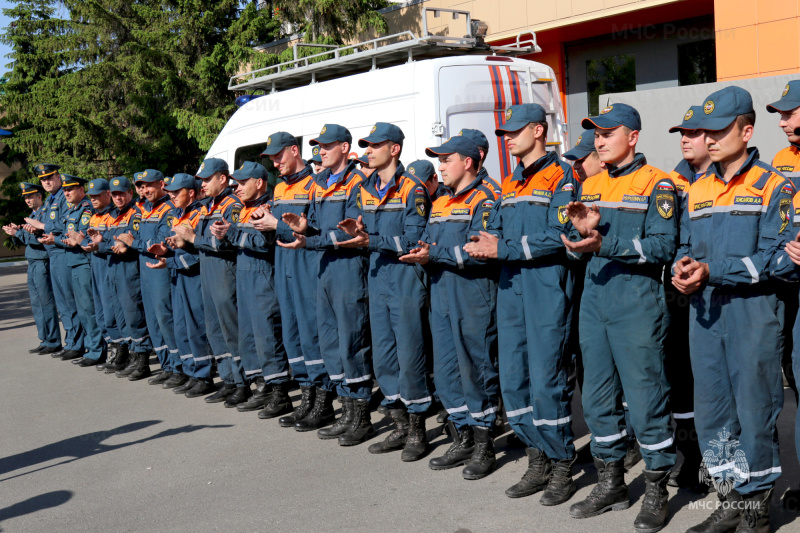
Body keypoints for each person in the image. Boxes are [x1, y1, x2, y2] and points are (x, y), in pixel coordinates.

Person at [676, 86, 792, 533]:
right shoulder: (698, 187)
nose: (709, 138)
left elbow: (779, 258)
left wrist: (713, 270)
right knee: (712, 411)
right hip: (705, 314)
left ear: (746, 130)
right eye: (706, 130)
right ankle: (730, 495)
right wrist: (681, 268)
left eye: (721, 129)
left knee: (754, 409)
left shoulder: (772, 185)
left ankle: (756, 505)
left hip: (753, 314)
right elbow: (685, 245)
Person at [562, 103, 677, 533]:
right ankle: (611, 483)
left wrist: (603, 244)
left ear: (633, 136)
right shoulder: (589, 184)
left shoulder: (657, 183)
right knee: (595, 399)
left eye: (609, 132)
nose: (599, 139)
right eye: (595, 132)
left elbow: (663, 247)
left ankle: (656, 488)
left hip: (636, 304)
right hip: (594, 301)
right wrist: (578, 236)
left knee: (646, 400)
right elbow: (581, 238)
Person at [464, 104, 580, 504]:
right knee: (513, 382)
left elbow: (562, 235)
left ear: (538, 130)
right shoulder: (511, 182)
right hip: (511, 289)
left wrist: (504, 248)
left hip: (546, 290)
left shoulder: (564, 176)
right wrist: (481, 243)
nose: (507, 138)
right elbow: (492, 229)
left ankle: (562, 461)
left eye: (515, 131)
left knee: (547, 382)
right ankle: (537, 457)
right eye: (504, 133)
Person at [402, 135, 500, 480]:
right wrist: (421, 252)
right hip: (441, 293)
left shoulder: (486, 198)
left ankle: (484, 442)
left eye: (446, 160)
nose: (440, 166)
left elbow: (479, 252)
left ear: (469, 162)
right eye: (439, 161)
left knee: (476, 370)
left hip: (472, 295)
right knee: (445, 372)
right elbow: (429, 240)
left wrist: (435, 255)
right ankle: (462, 435)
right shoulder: (441, 200)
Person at [337, 122, 433, 462]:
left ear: (394, 149)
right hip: (377, 279)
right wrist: (354, 229)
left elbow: (413, 239)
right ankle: (399, 424)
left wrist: (371, 240)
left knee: (410, 356)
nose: (368, 151)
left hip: (405, 279)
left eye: (375, 145)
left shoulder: (413, 189)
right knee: (385, 357)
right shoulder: (364, 188)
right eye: (366, 146)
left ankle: (418, 431)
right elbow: (358, 226)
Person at [281, 124, 375, 444]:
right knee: (331, 344)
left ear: (345, 148)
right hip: (325, 270)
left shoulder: (358, 180)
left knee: (353, 343)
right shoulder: (320, 182)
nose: (321, 150)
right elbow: (320, 227)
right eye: (319, 146)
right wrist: (306, 227)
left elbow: (354, 232)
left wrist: (313, 238)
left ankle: (361, 417)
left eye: (328, 145)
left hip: (349, 271)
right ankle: (346, 411)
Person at [250, 132, 331, 428]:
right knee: (293, 335)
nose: (275, 162)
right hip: (284, 267)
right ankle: (306, 399)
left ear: (295, 151)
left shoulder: (316, 184)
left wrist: (276, 226)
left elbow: (314, 232)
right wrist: (265, 220)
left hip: (307, 269)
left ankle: (323, 403)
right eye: (271, 158)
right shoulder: (281, 187)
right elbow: (278, 227)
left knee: (312, 335)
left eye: (279, 155)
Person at [173, 158, 248, 407]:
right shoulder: (207, 206)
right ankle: (228, 379)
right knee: (215, 330)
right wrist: (185, 242)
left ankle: (243, 382)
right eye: (201, 179)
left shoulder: (231, 205)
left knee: (231, 330)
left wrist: (193, 238)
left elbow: (228, 243)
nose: (202, 183)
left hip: (225, 274)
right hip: (208, 272)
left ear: (222, 178)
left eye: (207, 179)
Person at [664, 106, 711, 492]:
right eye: (683, 132)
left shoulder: (726, 180)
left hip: (715, 292)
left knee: (714, 381)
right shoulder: (672, 180)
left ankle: (718, 461)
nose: (685, 138)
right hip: (678, 294)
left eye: (693, 133)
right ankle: (692, 456)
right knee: (681, 376)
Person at [222, 162, 292, 416]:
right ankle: (261, 385)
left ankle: (280, 393)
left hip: (263, 278)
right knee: (249, 335)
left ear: (259, 183)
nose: (237, 188)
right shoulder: (241, 210)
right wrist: (226, 233)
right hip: (244, 276)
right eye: (236, 184)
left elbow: (264, 244)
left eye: (242, 183)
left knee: (267, 335)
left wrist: (232, 235)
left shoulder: (268, 208)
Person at [146, 173, 215, 398]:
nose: (172, 195)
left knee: (195, 326)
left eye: (177, 192)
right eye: (171, 192)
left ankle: (204, 375)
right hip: (178, 273)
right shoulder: (178, 214)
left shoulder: (200, 214)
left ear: (191, 193)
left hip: (193, 274)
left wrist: (173, 258)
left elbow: (200, 250)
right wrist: (165, 249)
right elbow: (178, 243)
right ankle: (190, 371)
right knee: (181, 325)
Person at [767, 79, 800, 511]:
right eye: (780, 112)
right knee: (794, 385)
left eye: (791, 111)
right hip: (786, 285)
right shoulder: (780, 160)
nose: (783, 120)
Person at [24, 164, 84, 359]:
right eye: (43, 179)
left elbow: (64, 224)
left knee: (69, 301)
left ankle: (77, 343)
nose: (46, 182)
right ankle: (72, 342)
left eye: (50, 177)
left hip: (62, 252)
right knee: (63, 303)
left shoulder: (63, 198)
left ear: (59, 177)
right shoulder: (52, 199)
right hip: (54, 253)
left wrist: (42, 226)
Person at [102, 177, 153, 378]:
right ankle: (132, 356)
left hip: (129, 269)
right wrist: (107, 244)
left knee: (134, 315)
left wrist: (124, 245)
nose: (118, 197)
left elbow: (132, 239)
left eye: (122, 193)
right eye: (114, 194)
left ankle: (142, 361)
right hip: (113, 267)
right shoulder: (112, 214)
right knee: (120, 315)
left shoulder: (135, 213)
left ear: (130, 193)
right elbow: (105, 242)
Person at [130, 169, 178, 383]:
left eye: (149, 185)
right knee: (153, 320)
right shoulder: (144, 209)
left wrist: (134, 243)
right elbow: (134, 234)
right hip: (145, 269)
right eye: (142, 185)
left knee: (165, 318)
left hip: (160, 270)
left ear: (161, 184)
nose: (145, 189)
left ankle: (178, 366)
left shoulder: (168, 208)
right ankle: (167, 364)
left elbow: (161, 244)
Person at [3, 182, 62, 354]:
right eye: (25, 198)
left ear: (39, 196)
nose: (27, 200)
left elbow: (41, 239)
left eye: (30, 196)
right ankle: (45, 338)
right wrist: (17, 232)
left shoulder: (45, 215)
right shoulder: (33, 215)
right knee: (37, 304)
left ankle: (53, 341)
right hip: (33, 263)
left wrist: (18, 234)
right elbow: (28, 238)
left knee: (46, 302)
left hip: (42, 262)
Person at [58, 175, 106, 365]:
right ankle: (91, 347)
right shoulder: (72, 210)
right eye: (64, 190)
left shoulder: (86, 210)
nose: (66, 193)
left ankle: (97, 350)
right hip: (73, 262)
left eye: (70, 189)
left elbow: (85, 237)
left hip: (84, 262)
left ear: (81, 190)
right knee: (82, 309)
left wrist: (76, 240)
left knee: (89, 308)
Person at [82, 179, 125, 370]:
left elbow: (113, 242)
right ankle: (113, 348)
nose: (93, 199)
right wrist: (81, 241)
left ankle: (120, 352)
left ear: (108, 194)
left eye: (97, 196)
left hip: (109, 265)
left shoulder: (113, 215)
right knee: (100, 313)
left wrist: (100, 243)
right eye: (91, 196)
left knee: (111, 313)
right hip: (96, 265)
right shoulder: (94, 216)